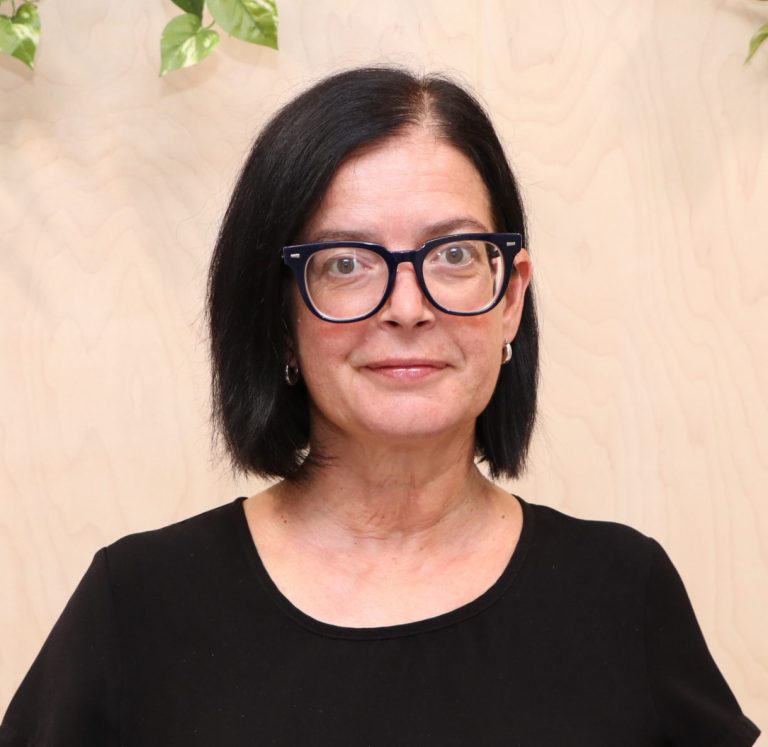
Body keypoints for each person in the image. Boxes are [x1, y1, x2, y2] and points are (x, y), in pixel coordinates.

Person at [0, 66, 760, 746]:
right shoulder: (138, 606)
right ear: (280, 315)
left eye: (455, 254)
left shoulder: (622, 592)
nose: (407, 306)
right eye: (346, 263)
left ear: (512, 298)